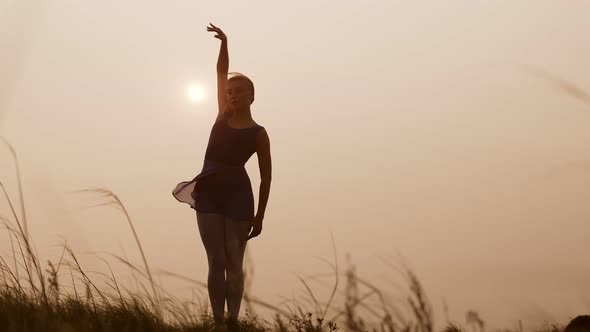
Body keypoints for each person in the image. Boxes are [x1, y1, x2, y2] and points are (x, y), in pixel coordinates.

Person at [172, 23, 272, 330]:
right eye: (230, 92)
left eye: (240, 91)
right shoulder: (221, 114)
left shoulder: (259, 133)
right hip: (210, 190)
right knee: (215, 260)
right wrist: (224, 43)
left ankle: (232, 321)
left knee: (233, 262)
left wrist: (260, 216)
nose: (233, 95)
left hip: (239, 195)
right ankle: (217, 322)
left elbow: (266, 178)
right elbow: (220, 71)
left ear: (252, 96)